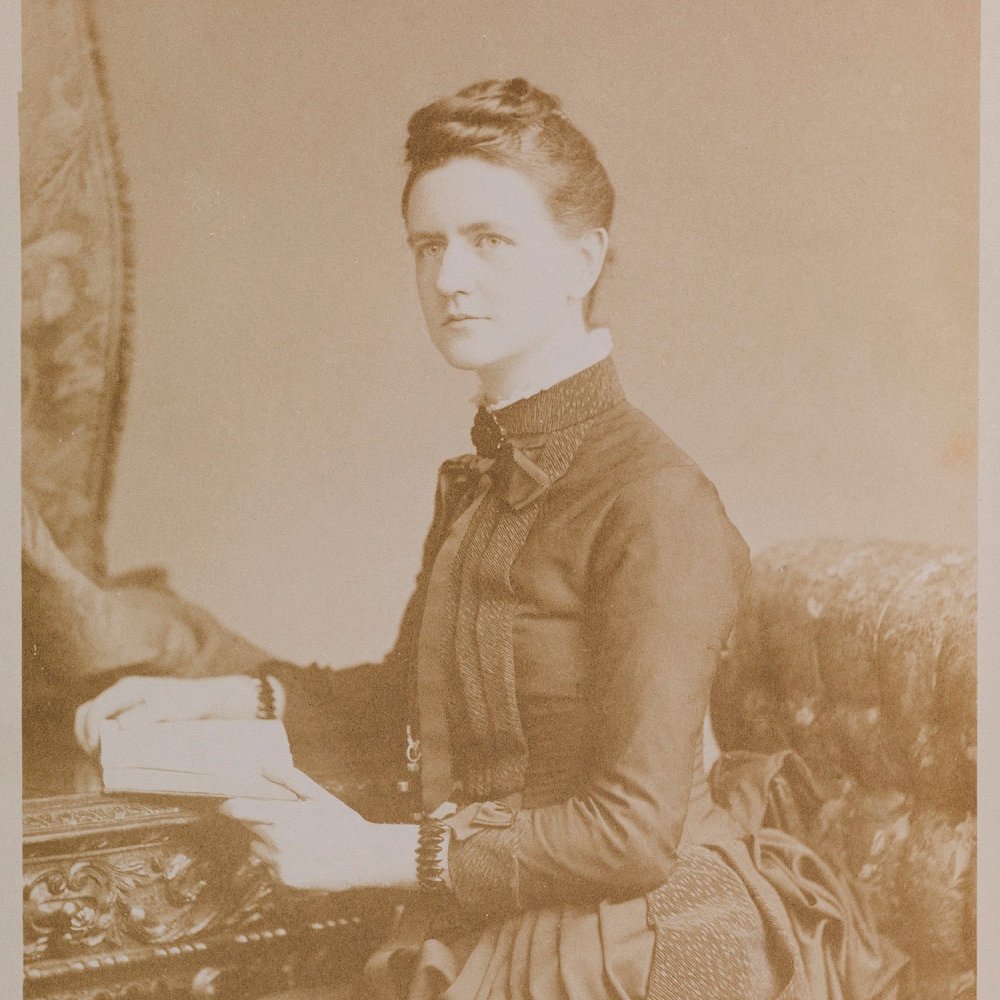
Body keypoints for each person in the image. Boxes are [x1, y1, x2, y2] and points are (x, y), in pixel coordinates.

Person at [74, 78, 909, 1000]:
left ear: (583, 260)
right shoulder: (486, 478)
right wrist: (218, 699)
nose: (449, 279)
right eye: (427, 245)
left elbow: (635, 833)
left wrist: (371, 854)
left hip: (638, 934)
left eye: (490, 241)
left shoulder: (656, 501)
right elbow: (408, 699)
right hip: (505, 907)